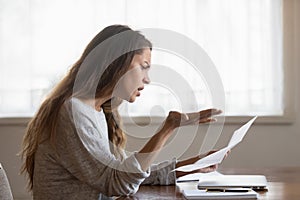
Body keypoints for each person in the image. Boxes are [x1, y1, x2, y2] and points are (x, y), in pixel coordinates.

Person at [20, 24, 223, 199]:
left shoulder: (97, 111)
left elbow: (127, 173)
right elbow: (117, 183)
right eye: (143, 67)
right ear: (117, 63)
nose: (147, 79)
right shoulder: (74, 112)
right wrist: (167, 128)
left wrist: (189, 167)